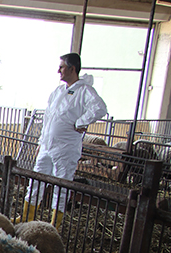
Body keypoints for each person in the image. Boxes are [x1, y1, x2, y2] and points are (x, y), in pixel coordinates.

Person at [17, 52, 107, 229]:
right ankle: (27, 217)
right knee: (36, 180)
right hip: (47, 146)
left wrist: (81, 122)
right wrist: (41, 142)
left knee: (61, 185)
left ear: (72, 69)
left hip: (66, 148)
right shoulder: (58, 91)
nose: (58, 71)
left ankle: (54, 225)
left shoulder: (84, 91)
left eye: (62, 67)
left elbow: (100, 108)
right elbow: (48, 119)